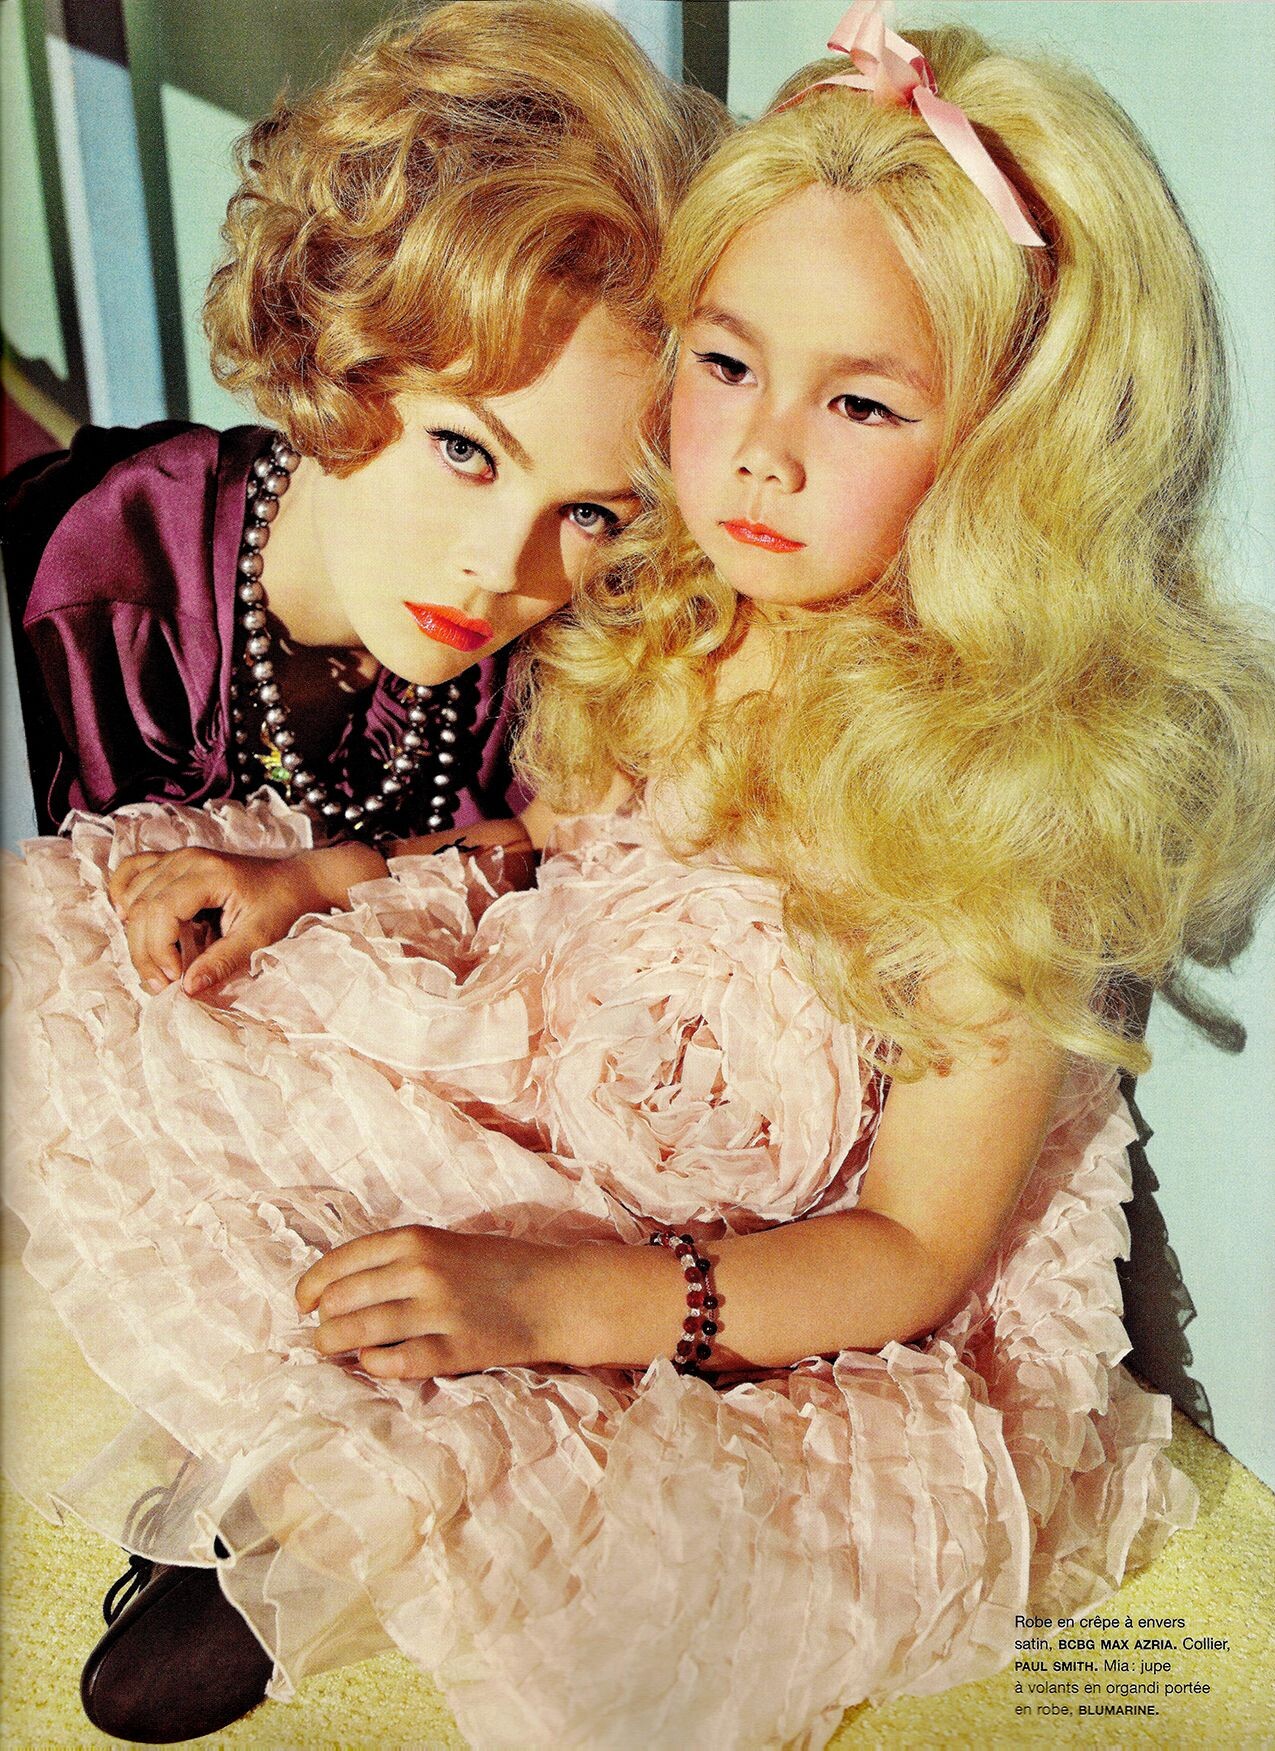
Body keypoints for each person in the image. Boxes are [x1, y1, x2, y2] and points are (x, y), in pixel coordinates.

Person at [5, 4, 1274, 1746]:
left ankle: (304, 1527)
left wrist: (567, 1301)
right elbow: (556, 848)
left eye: (859, 403)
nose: (757, 452)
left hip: (737, 1251)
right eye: (728, 365)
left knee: (554, 1429)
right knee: (135, 998)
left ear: (996, 449)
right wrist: (342, 875)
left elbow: (910, 1247)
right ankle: (270, 1452)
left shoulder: (999, 800)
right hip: (547, 1073)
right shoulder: (676, 608)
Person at [0, 0, 724, 846]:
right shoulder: (78, 609)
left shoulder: (565, 658)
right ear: (340, 350)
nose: (499, 567)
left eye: (589, 512)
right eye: (466, 450)